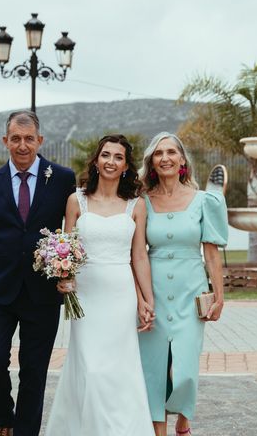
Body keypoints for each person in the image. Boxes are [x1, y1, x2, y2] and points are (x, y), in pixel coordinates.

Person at [0, 110, 75, 436]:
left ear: (40, 141)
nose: (22, 146)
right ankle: (4, 417)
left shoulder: (63, 178)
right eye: (15, 139)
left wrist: (69, 271)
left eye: (29, 139)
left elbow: (72, 232)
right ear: (5, 141)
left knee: (34, 371)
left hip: (43, 292)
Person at [45, 134, 156, 436]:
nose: (111, 161)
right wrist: (64, 277)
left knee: (120, 369)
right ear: (96, 161)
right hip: (86, 296)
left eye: (118, 157)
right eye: (106, 155)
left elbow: (139, 257)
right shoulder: (76, 201)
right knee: (91, 369)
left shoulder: (136, 204)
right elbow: (65, 249)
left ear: (126, 166)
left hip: (120, 296)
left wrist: (147, 299)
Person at [137, 132, 228, 436]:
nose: (165, 158)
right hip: (155, 288)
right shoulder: (142, 202)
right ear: (152, 162)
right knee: (154, 367)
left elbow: (212, 252)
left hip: (192, 289)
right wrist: (141, 296)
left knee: (185, 368)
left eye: (171, 152)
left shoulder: (204, 200)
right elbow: (135, 252)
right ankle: (160, 431)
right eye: (159, 153)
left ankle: (183, 419)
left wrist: (219, 295)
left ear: (182, 160)